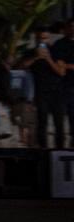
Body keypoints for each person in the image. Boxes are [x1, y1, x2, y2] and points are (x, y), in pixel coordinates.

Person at [19, 28, 66, 148]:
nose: (42, 40)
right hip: (40, 92)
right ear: (35, 39)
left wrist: (48, 58)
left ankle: (59, 148)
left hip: (57, 92)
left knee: (59, 124)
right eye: (40, 38)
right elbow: (22, 66)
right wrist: (35, 57)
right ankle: (43, 149)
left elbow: (61, 72)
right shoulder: (31, 52)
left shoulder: (56, 51)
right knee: (42, 123)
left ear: (49, 38)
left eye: (44, 38)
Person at [49, 18, 74, 147]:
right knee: (59, 122)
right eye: (70, 26)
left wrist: (67, 65)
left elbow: (63, 65)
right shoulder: (59, 44)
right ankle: (59, 148)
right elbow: (58, 66)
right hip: (61, 87)